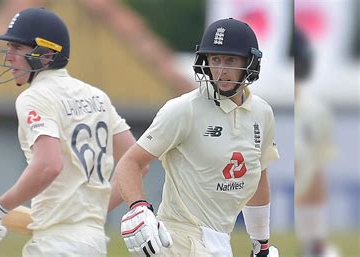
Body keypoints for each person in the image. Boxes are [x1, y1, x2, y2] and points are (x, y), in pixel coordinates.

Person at [0, 7, 138, 257]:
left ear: (46, 54)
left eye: (17, 48)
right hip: (93, 240)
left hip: (56, 246)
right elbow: (137, 163)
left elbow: (48, 165)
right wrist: (88, 215)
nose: (8, 56)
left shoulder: (35, 97)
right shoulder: (97, 96)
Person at [116, 18, 280, 257]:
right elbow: (130, 162)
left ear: (250, 62)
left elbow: (258, 177)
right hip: (177, 239)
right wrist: (138, 207)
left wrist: (261, 244)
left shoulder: (262, 113)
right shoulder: (184, 109)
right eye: (215, 60)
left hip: (220, 240)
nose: (221, 70)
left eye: (230, 60)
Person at [293, 26, 338, 257]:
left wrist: (316, 237)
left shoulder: (315, 110)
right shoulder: (253, 105)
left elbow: (317, 174)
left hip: (301, 217)